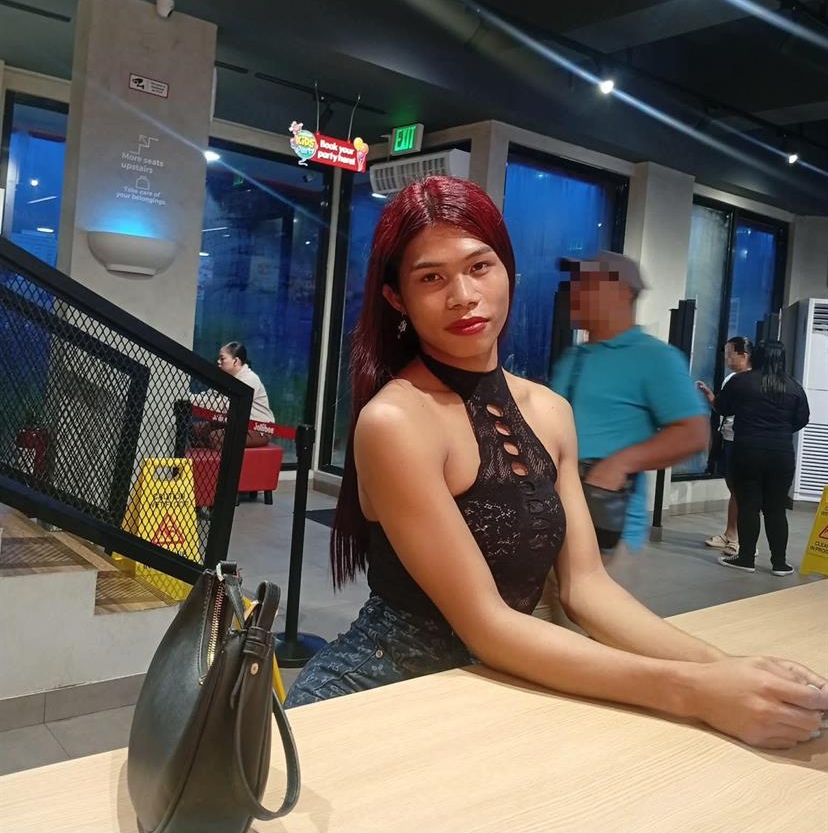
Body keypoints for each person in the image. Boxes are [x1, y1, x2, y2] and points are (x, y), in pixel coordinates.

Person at [285, 176, 827, 750]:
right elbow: (487, 624)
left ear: (508, 271)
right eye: (431, 278)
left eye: (479, 266)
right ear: (397, 298)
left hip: (504, 686)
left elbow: (587, 588)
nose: (463, 295)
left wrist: (726, 670)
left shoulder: (549, 410)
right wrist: (696, 691)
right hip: (377, 699)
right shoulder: (396, 420)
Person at [550, 252, 709, 553]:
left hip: (608, 532)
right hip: (555, 525)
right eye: (575, 283)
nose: (575, 291)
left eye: (587, 283)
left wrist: (621, 463)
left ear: (621, 292)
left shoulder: (655, 358)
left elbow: (694, 433)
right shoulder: (573, 357)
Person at [715, 340, 810, 577]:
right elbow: (802, 419)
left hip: (747, 450)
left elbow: (723, 408)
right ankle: (780, 563)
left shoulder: (741, 381)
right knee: (776, 509)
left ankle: (746, 558)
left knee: (748, 505)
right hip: (781, 453)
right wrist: (780, 431)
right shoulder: (794, 387)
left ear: (756, 356)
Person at [697, 336, 753, 555]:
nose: (727, 359)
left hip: (743, 440)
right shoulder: (731, 378)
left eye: (730, 354)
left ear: (744, 355)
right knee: (733, 488)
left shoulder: (753, 380)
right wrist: (709, 395)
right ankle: (731, 534)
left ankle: (743, 541)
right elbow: (722, 407)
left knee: (741, 490)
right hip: (728, 437)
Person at [195, 341, 274, 449]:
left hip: (258, 428)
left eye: (222, 358)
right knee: (196, 430)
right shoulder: (225, 377)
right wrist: (188, 397)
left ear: (236, 361)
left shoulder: (249, 379)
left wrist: (191, 399)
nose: (218, 361)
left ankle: (226, 459)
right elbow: (209, 397)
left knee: (216, 437)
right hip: (234, 422)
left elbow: (224, 406)